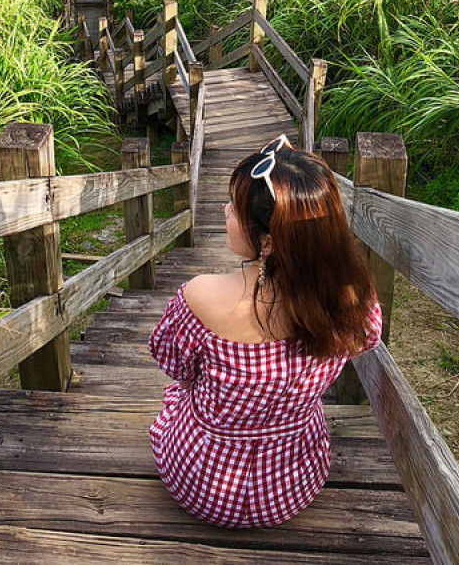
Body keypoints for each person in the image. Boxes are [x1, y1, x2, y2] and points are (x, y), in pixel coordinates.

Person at [148, 134, 381, 529]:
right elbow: (367, 340)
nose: (224, 211)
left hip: (201, 481)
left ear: (269, 242)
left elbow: (177, 369)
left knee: (178, 398)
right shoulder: (352, 297)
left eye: (234, 209)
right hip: (292, 483)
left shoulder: (201, 297)